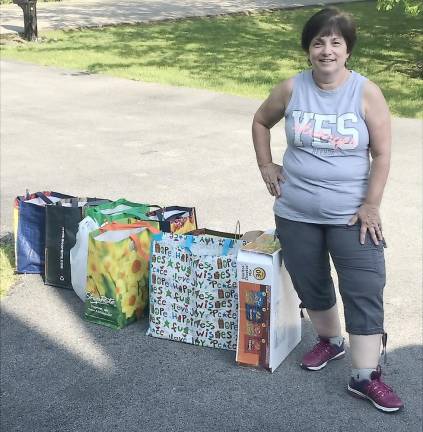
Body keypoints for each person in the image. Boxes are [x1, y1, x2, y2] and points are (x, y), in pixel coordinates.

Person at [252, 7, 403, 412]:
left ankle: (365, 376)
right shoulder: (291, 89)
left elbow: (383, 153)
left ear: (348, 50)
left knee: (364, 286)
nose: (327, 50)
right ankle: (330, 342)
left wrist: (371, 204)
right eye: (319, 41)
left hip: (351, 213)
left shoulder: (365, 93)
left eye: (336, 42)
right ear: (308, 49)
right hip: (295, 210)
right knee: (311, 280)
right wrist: (266, 164)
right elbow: (260, 121)